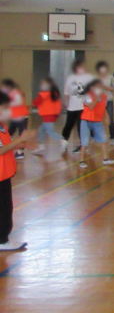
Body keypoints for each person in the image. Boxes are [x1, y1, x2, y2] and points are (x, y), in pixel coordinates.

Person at [0, 92, 37, 251]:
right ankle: (2, 241)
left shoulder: (2, 126)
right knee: (4, 209)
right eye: (5, 108)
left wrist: (20, 144)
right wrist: (20, 139)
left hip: (4, 174)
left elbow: (5, 147)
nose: (8, 111)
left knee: (6, 207)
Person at [78, 80, 114, 169]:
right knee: (85, 141)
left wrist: (107, 117)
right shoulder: (88, 95)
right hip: (86, 121)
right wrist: (97, 99)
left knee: (103, 139)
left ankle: (105, 159)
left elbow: (103, 107)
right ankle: (81, 161)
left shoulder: (104, 96)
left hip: (97, 121)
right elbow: (91, 107)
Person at [62, 59, 94, 153]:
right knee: (68, 125)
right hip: (72, 107)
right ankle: (64, 142)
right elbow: (67, 92)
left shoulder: (88, 78)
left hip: (83, 107)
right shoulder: (70, 78)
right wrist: (63, 101)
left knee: (81, 126)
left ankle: (83, 145)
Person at [31, 77, 64, 154]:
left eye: (43, 83)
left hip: (48, 116)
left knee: (50, 131)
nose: (41, 85)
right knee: (41, 130)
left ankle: (62, 141)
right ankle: (40, 146)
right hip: (52, 115)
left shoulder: (43, 95)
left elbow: (35, 102)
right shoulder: (54, 94)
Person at [0, 80, 30, 159]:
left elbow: (17, 103)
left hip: (21, 117)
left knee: (21, 134)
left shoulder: (17, 94)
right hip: (15, 117)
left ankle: (20, 152)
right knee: (9, 133)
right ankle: (10, 146)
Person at [96, 61, 114, 146]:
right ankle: (95, 137)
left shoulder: (111, 77)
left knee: (110, 119)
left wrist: (109, 89)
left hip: (108, 100)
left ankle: (112, 138)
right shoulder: (97, 78)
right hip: (99, 101)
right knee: (96, 119)